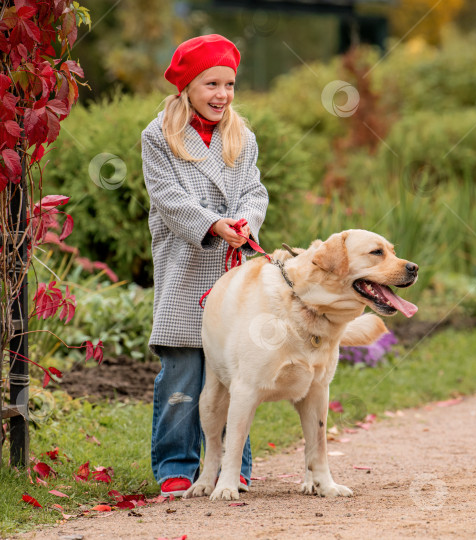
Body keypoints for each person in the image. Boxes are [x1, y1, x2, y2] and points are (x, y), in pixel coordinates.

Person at [141, 34, 269, 497]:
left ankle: (232, 465)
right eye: (211, 83)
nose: (222, 95)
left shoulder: (242, 136)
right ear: (187, 86)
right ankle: (177, 462)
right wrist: (214, 223)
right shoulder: (158, 137)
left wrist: (245, 221)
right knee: (182, 372)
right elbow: (168, 198)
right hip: (186, 263)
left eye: (229, 84)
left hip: (230, 270)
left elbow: (254, 190)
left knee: (235, 372)